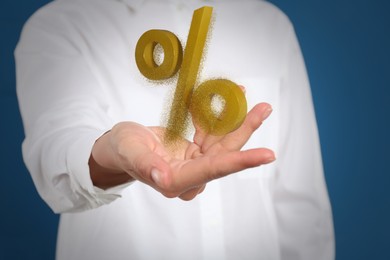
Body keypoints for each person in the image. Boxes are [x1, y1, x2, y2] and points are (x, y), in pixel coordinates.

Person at [15, 0, 334, 259]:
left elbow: (300, 202)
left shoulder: (269, 26)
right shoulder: (63, 24)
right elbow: (58, 153)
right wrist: (115, 154)